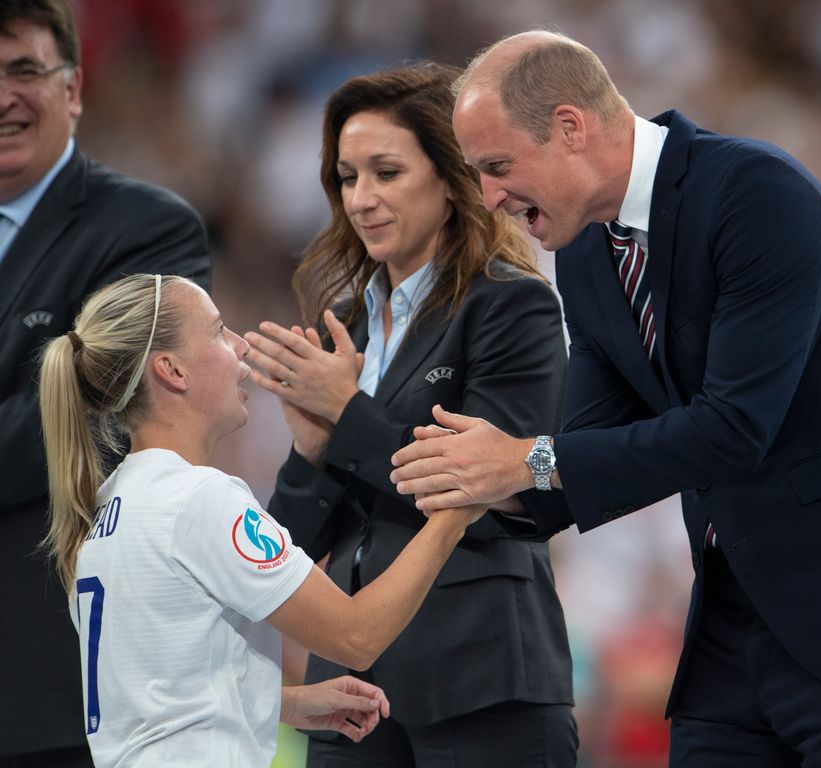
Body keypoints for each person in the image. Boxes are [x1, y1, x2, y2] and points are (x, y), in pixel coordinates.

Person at [389, 31, 821, 767]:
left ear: (570, 128)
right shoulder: (583, 253)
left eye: (497, 167)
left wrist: (526, 461)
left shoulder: (757, 194)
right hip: (731, 628)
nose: (488, 197)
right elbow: (580, 452)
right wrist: (466, 473)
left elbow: (734, 428)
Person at [243, 62, 577, 767]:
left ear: (452, 180)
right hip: (350, 693)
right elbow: (297, 544)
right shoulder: (345, 324)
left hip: (483, 679)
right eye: (347, 177)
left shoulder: (511, 306)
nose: (361, 199)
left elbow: (485, 492)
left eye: (386, 173)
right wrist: (309, 453)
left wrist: (348, 413)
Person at [38, 273, 492, 767]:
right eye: (217, 331)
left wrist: (286, 703)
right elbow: (356, 636)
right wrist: (454, 511)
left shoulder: (104, 509)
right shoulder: (199, 498)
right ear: (171, 369)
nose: (240, 348)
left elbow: (155, 693)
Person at [0, 2, 210, 765]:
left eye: (24, 70)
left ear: (75, 87)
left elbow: (104, 414)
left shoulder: (147, 231)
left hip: (58, 684)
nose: (3, 97)